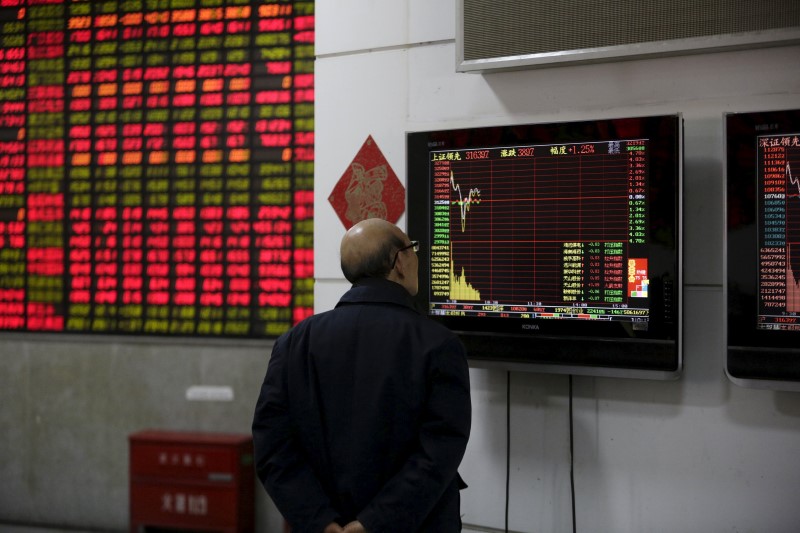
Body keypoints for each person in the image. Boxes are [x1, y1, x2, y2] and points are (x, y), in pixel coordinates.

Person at [252, 218, 472, 533]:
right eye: (413, 249)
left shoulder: (295, 342)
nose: (417, 258)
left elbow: (272, 444)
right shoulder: (438, 344)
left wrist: (320, 521)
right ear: (399, 262)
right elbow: (439, 450)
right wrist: (374, 523)